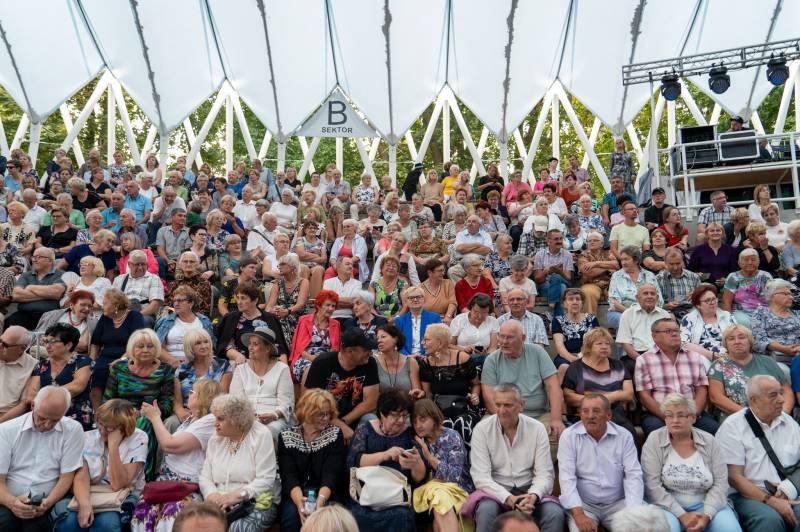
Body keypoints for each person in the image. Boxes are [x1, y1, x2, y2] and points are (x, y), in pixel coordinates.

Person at [469, 383, 564, 532]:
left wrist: (533, 496)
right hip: (497, 493)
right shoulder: (482, 429)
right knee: (486, 510)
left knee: (554, 513)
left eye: (507, 405)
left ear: (521, 405)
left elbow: (545, 474)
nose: (501, 411)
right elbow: (480, 477)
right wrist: (508, 498)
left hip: (529, 491)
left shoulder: (537, 428)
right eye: (498, 405)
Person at [641, 393, 740, 532]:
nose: (675, 420)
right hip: (667, 506)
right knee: (667, 529)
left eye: (681, 415)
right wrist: (682, 515)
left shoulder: (709, 441)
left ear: (693, 418)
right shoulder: (655, 439)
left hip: (707, 504)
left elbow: (721, 483)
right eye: (669, 415)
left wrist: (707, 515)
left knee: (730, 529)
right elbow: (652, 486)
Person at [716, 375, 800, 532]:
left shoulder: (790, 424)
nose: (782, 400)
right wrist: (772, 501)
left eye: (781, 393)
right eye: (773, 395)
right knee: (769, 521)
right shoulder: (733, 427)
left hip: (790, 489)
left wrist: (789, 489)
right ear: (754, 400)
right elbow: (734, 477)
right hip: (748, 495)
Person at [57, 399, 148, 532]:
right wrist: (85, 505)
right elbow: (81, 478)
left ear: (124, 428)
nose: (102, 431)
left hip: (122, 495)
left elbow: (117, 484)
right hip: (90, 492)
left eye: (109, 428)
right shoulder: (87, 438)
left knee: (107, 524)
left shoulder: (139, 438)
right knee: (69, 523)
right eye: (100, 424)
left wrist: (113, 446)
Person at [0, 386, 83, 531]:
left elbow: (67, 476)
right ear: (33, 406)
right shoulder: (7, 429)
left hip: (48, 502)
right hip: (7, 499)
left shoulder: (73, 429)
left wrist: (47, 503)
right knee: (5, 521)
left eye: (55, 420)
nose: (47, 425)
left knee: (37, 526)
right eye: (42, 418)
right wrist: (12, 503)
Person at [558, 394, 643, 532]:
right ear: (580, 415)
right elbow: (567, 477)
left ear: (609, 415)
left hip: (618, 504)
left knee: (638, 528)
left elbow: (633, 475)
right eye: (585, 411)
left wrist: (632, 511)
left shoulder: (624, 436)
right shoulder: (569, 436)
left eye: (596, 411)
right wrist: (579, 514)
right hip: (584, 505)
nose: (590, 416)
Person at [346, 389, 426, 531]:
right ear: (382, 414)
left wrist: (416, 464)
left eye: (404, 415)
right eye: (395, 415)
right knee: (358, 515)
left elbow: (419, 478)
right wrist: (384, 455)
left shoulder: (410, 434)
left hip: (397, 499)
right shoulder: (366, 429)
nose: (401, 420)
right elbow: (355, 461)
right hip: (366, 494)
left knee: (401, 515)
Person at [200, 394, 281, 531]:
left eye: (220, 419)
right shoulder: (216, 439)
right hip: (220, 503)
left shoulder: (260, 435)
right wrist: (211, 494)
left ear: (237, 419)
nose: (215, 423)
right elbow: (205, 476)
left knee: (237, 528)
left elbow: (266, 479)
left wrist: (237, 496)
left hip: (255, 502)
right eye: (215, 418)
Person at [103, 329, 175, 480]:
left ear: (157, 348)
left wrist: (146, 412)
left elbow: (167, 404)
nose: (145, 350)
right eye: (140, 346)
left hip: (150, 415)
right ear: (132, 349)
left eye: (150, 346)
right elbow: (108, 400)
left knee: (145, 422)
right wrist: (126, 414)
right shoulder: (119, 368)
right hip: (120, 413)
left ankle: (143, 476)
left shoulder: (165, 370)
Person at [481, 321, 564, 446]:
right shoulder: (492, 360)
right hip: (502, 415)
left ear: (523, 338)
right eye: (501, 336)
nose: (504, 342)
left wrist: (556, 419)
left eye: (509, 337)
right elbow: (489, 398)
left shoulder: (538, 353)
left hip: (538, 415)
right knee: (485, 433)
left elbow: (554, 387)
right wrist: (510, 423)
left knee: (555, 433)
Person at [634, 318, 719, 438]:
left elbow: (701, 390)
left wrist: (693, 414)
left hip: (690, 412)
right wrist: (669, 417)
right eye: (668, 331)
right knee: (657, 434)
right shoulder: (644, 360)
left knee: (715, 430)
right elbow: (644, 396)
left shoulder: (695, 357)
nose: (674, 334)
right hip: (659, 414)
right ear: (654, 336)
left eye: (676, 331)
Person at [277, 389, 346, 532]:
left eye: (328, 413)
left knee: (326, 518)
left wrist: (320, 501)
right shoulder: (287, 436)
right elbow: (289, 476)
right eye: (321, 414)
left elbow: (331, 475)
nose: (326, 418)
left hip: (327, 494)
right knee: (291, 517)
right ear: (307, 413)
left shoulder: (335, 434)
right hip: (297, 494)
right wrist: (300, 504)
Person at [411, 399, 474, 532]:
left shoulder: (452, 436)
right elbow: (418, 478)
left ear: (434, 417)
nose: (418, 425)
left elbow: (454, 476)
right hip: (432, 493)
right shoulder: (418, 442)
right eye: (415, 422)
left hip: (459, 489)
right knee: (438, 499)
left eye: (422, 420)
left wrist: (429, 457)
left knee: (439, 506)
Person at [562, 327, 636, 440]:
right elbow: (569, 396)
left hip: (614, 414)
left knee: (628, 433)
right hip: (586, 415)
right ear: (588, 346)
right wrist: (614, 395)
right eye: (599, 343)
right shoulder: (576, 367)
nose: (604, 347)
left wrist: (595, 397)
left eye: (607, 344)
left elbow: (628, 394)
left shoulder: (618, 365)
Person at [708, 324, 792, 421]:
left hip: (774, 417)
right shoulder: (718, 365)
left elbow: (787, 391)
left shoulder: (768, 361)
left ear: (750, 341)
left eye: (742, 337)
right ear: (726, 344)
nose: (737, 342)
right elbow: (716, 397)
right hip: (736, 419)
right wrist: (752, 416)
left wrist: (782, 415)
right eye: (731, 339)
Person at [419, 323, 482, 446]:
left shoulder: (463, 358)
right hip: (438, 409)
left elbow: (476, 384)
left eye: (426, 340)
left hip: (464, 407)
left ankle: (464, 456)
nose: (423, 343)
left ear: (440, 343)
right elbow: (428, 394)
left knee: (462, 423)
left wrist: (475, 396)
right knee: (444, 425)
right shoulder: (426, 363)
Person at [24, 324, 92, 430]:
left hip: (75, 416)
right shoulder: (42, 365)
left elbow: (77, 387)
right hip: (45, 415)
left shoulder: (82, 361)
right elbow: (31, 396)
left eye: (52, 342)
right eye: (46, 341)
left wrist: (44, 397)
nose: (47, 346)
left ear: (68, 345)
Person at [231, 326, 294, 439]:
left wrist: (274, 415)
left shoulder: (282, 368)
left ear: (268, 348)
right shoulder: (241, 369)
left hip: (274, 418)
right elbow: (235, 400)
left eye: (255, 344)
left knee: (266, 432)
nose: (250, 347)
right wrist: (247, 416)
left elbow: (287, 403)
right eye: (250, 344)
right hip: (245, 416)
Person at [89, 289, 145, 408]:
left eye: (105, 303)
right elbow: (95, 343)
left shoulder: (134, 316)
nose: (102, 306)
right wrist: (91, 361)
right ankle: (97, 413)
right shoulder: (105, 318)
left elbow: (137, 342)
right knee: (96, 372)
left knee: (118, 370)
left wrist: (122, 359)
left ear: (115, 305)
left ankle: (117, 411)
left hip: (129, 356)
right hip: (105, 357)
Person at [7, 246, 67, 329]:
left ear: (50, 260)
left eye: (38, 257)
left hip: (49, 315)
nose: (34, 260)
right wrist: (47, 294)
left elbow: (56, 293)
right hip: (24, 313)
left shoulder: (61, 274)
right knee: (9, 323)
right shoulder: (26, 275)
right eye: (33, 257)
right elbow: (16, 295)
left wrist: (30, 287)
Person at [154, 285, 214, 367]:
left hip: (198, 364)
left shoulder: (204, 321)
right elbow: (157, 347)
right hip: (171, 364)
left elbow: (211, 347)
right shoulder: (165, 321)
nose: (176, 304)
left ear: (191, 303)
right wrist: (173, 360)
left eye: (180, 300)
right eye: (174, 301)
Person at [289, 290, 341, 385]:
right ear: (319, 305)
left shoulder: (336, 324)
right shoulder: (304, 320)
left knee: (334, 375)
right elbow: (299, 348)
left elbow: (335, 349)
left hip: (326, 360)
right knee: (310, 369)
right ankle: (307, 396)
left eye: (333, 306)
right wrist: (313, 359)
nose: (331, 309)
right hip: (305, 358)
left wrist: (323, 360)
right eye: (328, 305)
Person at [680, 283, 738, 363]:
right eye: (707, 300)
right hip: (701, 358)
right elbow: (683, 343)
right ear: (698, 305)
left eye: (714, 299)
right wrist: (710, 355)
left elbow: (737, 337)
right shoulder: (689, 319)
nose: (712, 302)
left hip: (727, 356)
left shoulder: (727, 316)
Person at [607, 246, 661, 329]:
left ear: (636, 260)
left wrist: (646, 312)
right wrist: (632, 313)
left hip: (648, 311)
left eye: (626, 259)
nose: (623, 262)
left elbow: (659, 299)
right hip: (621, 312)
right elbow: (614, 302)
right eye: (622, 260)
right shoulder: (616, 276)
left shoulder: (649, 275)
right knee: (628, 320)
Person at [35, 290, 99, 354]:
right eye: (83, 305)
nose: (87, 308)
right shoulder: (51, 315)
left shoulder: (92, 323)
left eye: (90, 306)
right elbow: (38, 339)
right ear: (71, 305)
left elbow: (83, 346)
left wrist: (52, 341)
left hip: (73, 357)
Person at [753, 279, 800, 366]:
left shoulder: (797, 314)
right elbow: (759, 338)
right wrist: (784, 349)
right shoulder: (761, 312)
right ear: (772, 296)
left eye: (790, 294)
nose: (791, 297)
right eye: (786, 294)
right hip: (775, 358)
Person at [721, 247, 772, 327]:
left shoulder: (765, 276)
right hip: (741, 312)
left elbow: (773, 298)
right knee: (744, 323)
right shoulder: (733, 277)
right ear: (739, 263)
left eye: (753, 260)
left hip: (763, 311)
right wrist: (728, 321)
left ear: (758, 262)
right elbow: (727, 301)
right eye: (746, 260)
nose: (750, 262)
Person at [551, 289, 599, 373]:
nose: (575, 302)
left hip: (588, 355)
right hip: (566, 356)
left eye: (578, 299)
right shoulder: (558, 320)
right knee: (564, 367)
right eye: (570, 299)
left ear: (582, 303)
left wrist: (585, 359)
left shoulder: (592, 319)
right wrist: (574, 360)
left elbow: (597, 343)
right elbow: (559, 345)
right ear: (564, 304)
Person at [374, 324, 423, 396]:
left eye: (383, 337)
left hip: (407, 402)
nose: (379, 340)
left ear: (395, 339)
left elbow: (416, 392)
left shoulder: (411, 362)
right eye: (377, 338)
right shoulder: (374, 362)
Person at [0, 326, 37, 423]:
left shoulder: (33, 366)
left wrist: (1, 422)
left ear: (21, 349)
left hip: (6, 417)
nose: (0, 345)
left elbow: (24, 404)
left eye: (5, 345)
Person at [533, 229, 573, 317]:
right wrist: (545, 272)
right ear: (548, 241)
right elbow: (538, 280)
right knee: (561, 289)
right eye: (556, 239)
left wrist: (559, 272)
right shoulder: (539, 255)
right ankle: (559, 318)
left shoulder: (567, 254)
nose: (559, 241)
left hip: (563, 281)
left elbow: (568, 278)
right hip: (546, 284)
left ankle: (552, 303)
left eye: (561, 238)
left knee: (556, 277)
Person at [576, 230, 618, 315]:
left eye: (595, 240)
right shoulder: (583, 255)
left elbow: (616, 264)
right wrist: (607, 268)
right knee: (588, 292)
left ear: (602, 244)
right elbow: (589, 272)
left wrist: (596, 263)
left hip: (611, 285)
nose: (592, 242)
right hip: (591, 284)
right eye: (589, 241)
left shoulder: (609, 253)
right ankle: (590, 321)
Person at [393, 286, 441, 356]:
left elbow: (438, 340)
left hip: (429, 357)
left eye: (418, 297)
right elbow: (398, 344)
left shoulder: (434, 318)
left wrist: (425, 356)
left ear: (424, 299)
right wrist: (408, 357)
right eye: (411, 298)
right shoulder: (400, 321)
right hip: (406, 358)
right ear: (406, 301)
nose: (415, 300)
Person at [450, 293, 499, 361]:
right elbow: (449, 345)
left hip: (485, 359)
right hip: (462, 358)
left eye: (484, 313)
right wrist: (464, 349)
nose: (479, 316)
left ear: (489, 312)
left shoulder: (493, 321)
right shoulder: (459, 320)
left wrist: (486, 356)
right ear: (471, 307)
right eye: (476, 312)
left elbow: (493, 347)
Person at [165, 251, 214, 318]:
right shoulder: (175, 284)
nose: (188, 264)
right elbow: (168, 306)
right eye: (185, 261)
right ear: (180, 264)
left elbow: (205, 310)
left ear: (197, 264)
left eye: (192, 262)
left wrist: (187, 318)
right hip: (175, 318)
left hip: (196, 319)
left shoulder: (204, 283)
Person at [656, 248, 701, 319]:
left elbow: (702, 300)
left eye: (678, 263)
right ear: (665, 263)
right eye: (671, 264)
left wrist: (696, 296)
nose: (675, 267)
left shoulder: (694, 277)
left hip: (692, 315)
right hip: (668, 316)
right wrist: (665, 306)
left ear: (682, 261)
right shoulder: (658, 279)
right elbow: (654, 305)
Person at [689, 223, 738, 288]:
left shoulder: (731, 250)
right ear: (707, 234)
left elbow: (735, 271)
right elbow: (690, 270)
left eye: (718, 230)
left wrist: (727, 280)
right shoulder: (698, 250)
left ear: (722, 233)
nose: (715, 233)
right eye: (712, 231)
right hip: (704, 286)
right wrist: (697, 275)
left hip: (726, 287)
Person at [369, 255, 407, 320]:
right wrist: (378, 319)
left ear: (397, 271)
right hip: (378, 320)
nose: (391, 268)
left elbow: (406, 306)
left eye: (394, 266)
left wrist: (396, 318)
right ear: (382, 268)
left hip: (397, 319)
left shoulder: (402, 284)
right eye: (388, 265)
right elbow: (370, 306)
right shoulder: (373, 284)